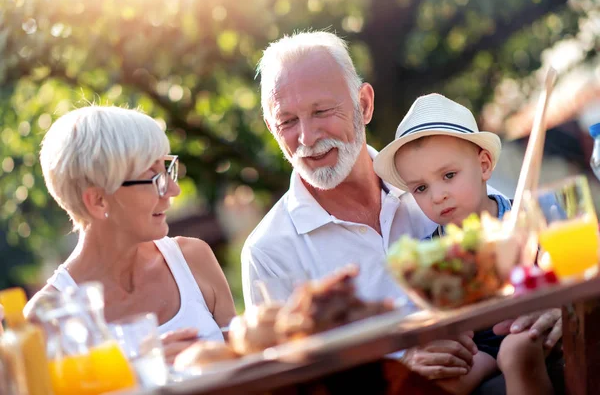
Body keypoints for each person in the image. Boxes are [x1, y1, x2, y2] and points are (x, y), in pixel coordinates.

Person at [242, 30, 563, 394]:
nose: (307, 137)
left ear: (363, 104)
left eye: (321, 111)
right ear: (270, 127)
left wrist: (557, 310)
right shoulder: (267, 252)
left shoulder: (437, 177)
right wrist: (399, 368)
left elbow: (538, 256)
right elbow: (290, 384)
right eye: (287, 121)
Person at [373, 93, 562, 395]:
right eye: (421, 188)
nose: (437, 195)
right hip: (477, 348)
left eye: (448, 175)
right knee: (439, 380)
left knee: (516, 352)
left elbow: (573, 269)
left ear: (484, 165)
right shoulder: (430, 253)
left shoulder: (529, 216)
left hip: (530, 327)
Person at [25, 106, 236, 363]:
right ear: (99, 201)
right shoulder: (47, 316)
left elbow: (246, 366)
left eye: (167, 169)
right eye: (153, 176)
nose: (173, 189)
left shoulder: (193, 259)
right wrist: (137, 371)